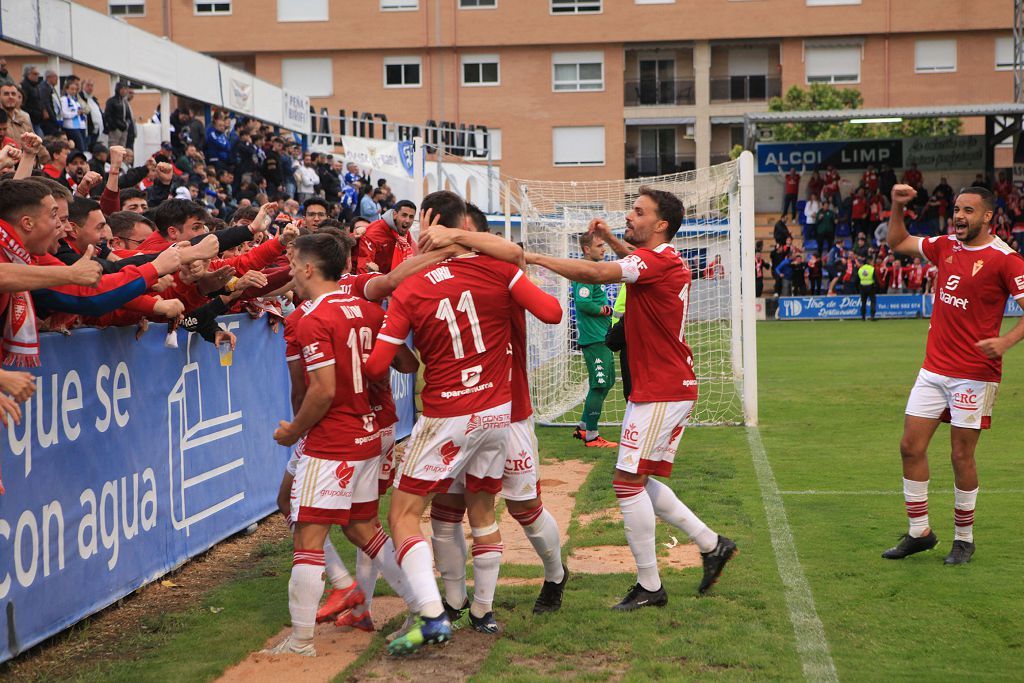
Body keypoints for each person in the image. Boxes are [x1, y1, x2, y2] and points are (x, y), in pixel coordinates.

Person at [362, 190, 561, 655]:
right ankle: (463, 606)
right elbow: (546, 304)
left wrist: (442, 245)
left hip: (489, 411)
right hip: (493, 407)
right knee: (455, 512)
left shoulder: (479, 268)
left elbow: (379, 350)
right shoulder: (495, 269)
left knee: (523, 508)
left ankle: (552, 576)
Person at [525, 186, 737, 610]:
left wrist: (532, 258)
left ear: (660, 225)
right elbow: (632, 261)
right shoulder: (661, 258)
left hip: (663, 386)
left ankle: (651, 586)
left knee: (626, 482)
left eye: (638, 212)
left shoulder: (656, 260)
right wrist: (616, 238)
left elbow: (598, 273)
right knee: (639, 478)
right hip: (659, 385)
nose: (629, 216)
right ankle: (712, 544)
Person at [266, 233, 419, 657]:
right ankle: (421, 607)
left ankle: (299, 642)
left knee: (308, 539)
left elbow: (322, 391)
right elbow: (404, 361)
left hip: (333, 441)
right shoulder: (369, 310)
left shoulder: (311, 317)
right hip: (371, 435)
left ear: (310, 268)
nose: (291, 271)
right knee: (362, 528)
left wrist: (294, 431)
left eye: (295, 264)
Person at [881, 183, 1024, 565]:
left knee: (961, 456)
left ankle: (964, 538)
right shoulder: (946, 245)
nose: (959, 216)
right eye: (957, 210)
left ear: (989, 216)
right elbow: (898, 241)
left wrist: (1006, 341)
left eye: (968, 211)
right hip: (933, 370)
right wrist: (896, 206)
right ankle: (919, 533)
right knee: (910, 447)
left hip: (975, 374)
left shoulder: (1005, 259)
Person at [571, 232, 618, 448]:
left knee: (606, 382)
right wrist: (608, 310)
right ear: (586, 250)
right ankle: (591, 436)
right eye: (599, 246)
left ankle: (583, 426)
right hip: (594, 338)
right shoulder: (584, 273)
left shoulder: (593, 271)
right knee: (599, 385)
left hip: (602, 337)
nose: (604, 249)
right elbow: (583, 304)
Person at [356, 200, 416, 274]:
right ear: (395, 215)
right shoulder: (374, 233)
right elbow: (363, 268)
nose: (407, 220)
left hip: (391, 279)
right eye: (404, 215)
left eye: (411, 217)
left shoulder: (405, 234)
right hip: (375, 281)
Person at [103, 82, 135, 149]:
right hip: (115, 130)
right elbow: (107, 115)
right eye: (122, 89)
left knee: (122, 150)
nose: (124, 91)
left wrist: (127, 125)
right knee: (114, 148)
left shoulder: (125, 102)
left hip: (124, 130)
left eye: (125, 89)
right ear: (117, 89)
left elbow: (128, 116)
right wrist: (114, 127)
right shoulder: (111, 101)